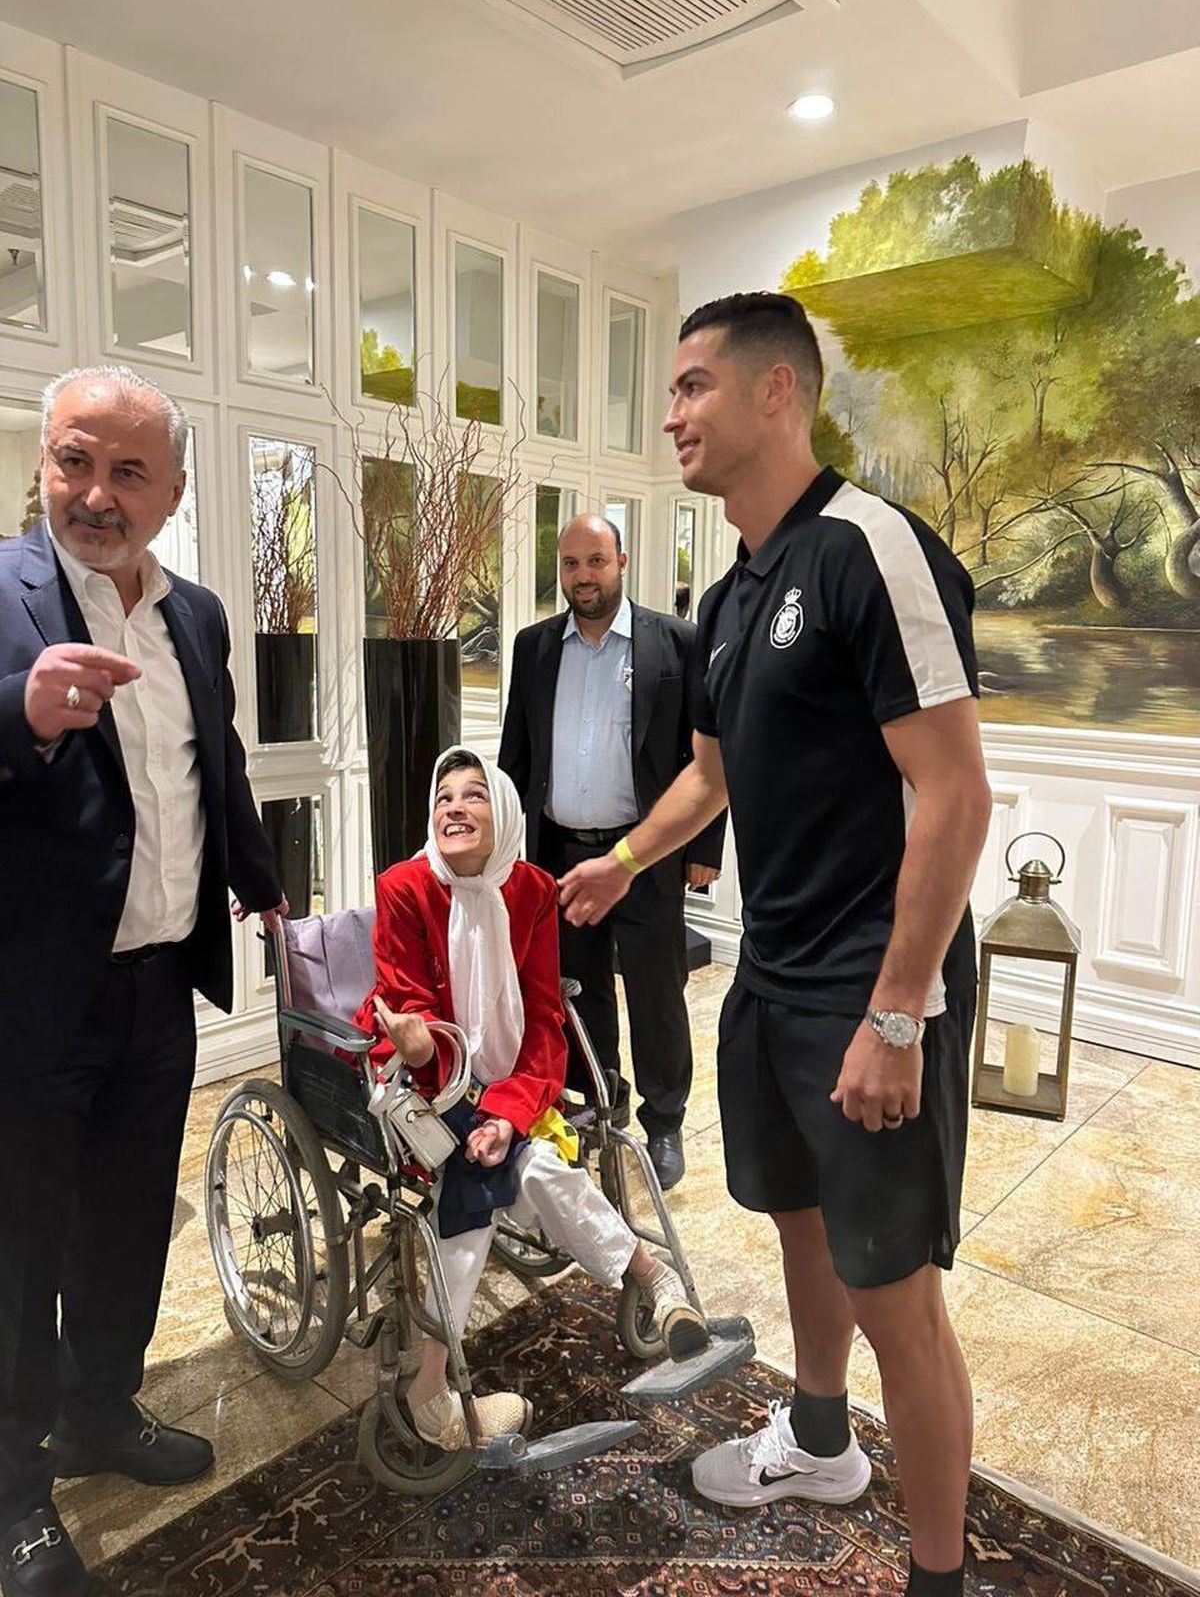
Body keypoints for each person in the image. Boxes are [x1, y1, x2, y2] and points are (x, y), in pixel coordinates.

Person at [559, 293, 992, 1597]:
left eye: (693, 385)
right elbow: (712, 776)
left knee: (896, 1293)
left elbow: (955, 793)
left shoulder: (870, 550)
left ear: (777, 392)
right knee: (799, 1224)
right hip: (774, 971)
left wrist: (897, 1014)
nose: (672, 415)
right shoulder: (729, 594)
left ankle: (939, 1577)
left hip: (873, 983)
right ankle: (818, 1439)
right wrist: (626, 860)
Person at [0, 366, 286, 1597]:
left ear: (172, 491)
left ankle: (100, 1410)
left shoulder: (197, 616)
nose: (96, 493)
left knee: (123, 1223)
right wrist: (20, 714)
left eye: (128, 472)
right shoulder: (1, 594)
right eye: (75, 461)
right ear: (45, 465)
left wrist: (262, 879)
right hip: (31, 997)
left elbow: (214, 756)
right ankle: (14, 1492)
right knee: (21, 1247)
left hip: (160, 981)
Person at [353, 747, 708, 1452]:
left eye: (474, 794)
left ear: (506, 813)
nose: (454, 806)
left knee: (521, 1166)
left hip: (500, 1082)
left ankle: (431, 1389)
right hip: (418, 1078)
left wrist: (507, 1114)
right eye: (443, 796)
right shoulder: (404, 886)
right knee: (490, 1173)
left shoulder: (532, 890)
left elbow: (544, 1020)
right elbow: (409, 1010)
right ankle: (650, 1275)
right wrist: (429, 1060)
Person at [499, 514, 725, 1191]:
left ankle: (665, 1121)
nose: (583, 576)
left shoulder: (676, 642)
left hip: (645, 857)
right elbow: (516, 755)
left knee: (657, 991)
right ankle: (602, 1105)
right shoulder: (534, 647)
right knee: (580, 990)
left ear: (621, 561)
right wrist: (505, 851)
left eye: (595, 561)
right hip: (562, 856)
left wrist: (704, 845)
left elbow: (707, 756)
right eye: (570, 564)